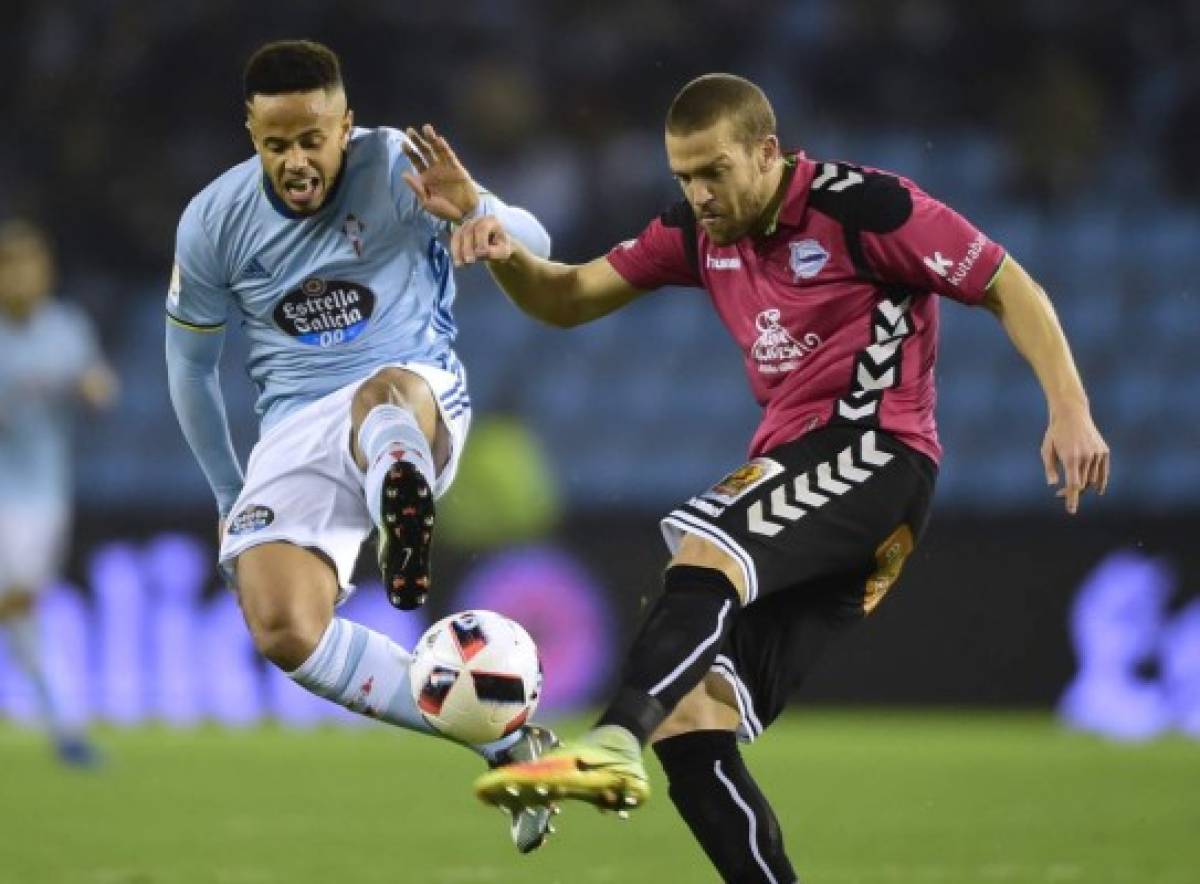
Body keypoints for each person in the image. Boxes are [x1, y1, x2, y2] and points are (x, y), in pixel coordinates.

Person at [470, 74, 1111, 881]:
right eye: (683, 177)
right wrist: (497, 247)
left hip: (875, 450)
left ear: (767, 152)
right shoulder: (699, 235)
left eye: (715, 172)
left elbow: (1006, 282)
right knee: (694, 717)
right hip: (813, 475)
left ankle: (609, 743)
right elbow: (565, 298)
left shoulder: (865, 207)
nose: (698, 194)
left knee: (704, 554)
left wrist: (1070, 406)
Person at [165, 39, 559, 853]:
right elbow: (190, 369)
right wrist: (226, 492)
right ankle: (503, 742)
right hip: (295, 428)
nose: (296, 161)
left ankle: (399, 498)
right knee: (281, 626)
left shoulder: (399, 167)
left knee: (382, 396)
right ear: (251, 131)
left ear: (346, 124)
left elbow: (539, 239)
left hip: (414, 390)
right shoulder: (213, 219)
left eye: (313, 139)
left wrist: (484, 214)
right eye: (276, 144)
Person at [0, 219, 118, 766]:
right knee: (19, 611)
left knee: (19, 605)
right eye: (10, 264)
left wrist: (92, 388)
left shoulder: (65, 327)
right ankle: (66, 727)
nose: (20, 275)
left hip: (38, 500)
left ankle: (65, 726)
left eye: (29, 263)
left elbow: (99, 390)